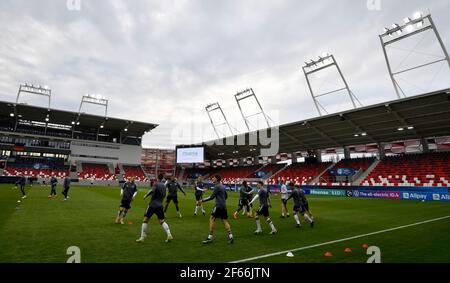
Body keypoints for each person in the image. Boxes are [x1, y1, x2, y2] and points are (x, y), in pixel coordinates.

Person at [136, 174, 173, 243]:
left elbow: (152, 191)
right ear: (162, 178)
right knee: (162, 221)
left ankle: (142, 237)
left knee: (145, 220)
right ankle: (169, 234)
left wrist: (146, 195)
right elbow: (164, 195)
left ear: (157, 178)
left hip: (152, 205)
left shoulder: (156, 184)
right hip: (160, 205)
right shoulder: (164, 186)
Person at [201, 175, 234, 244]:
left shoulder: (217, 186)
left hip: (218, 206)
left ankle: (210, 237)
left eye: (213, 178)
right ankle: (231, 236)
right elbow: (226, 196)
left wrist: (202, 200)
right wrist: (222, 200)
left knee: (212, 219)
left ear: (217, 179)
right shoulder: (222, 186)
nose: (212, 179)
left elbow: (212, 197)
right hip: (224, 206)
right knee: (224, 220)